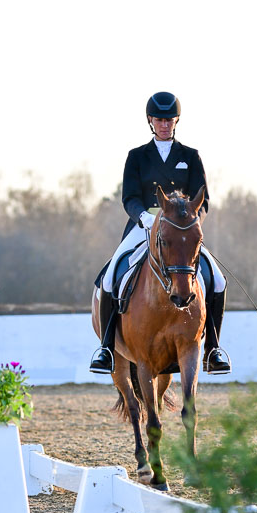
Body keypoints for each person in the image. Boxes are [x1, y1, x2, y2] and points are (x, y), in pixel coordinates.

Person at [90, 91, 231, 375]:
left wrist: (194, 222)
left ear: (176, 120)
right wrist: (143, 216)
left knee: (217, 279)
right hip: (143, 225)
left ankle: (213, 348)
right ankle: (106, 347)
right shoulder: (137, 156)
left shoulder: (190, 156)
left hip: (181, 231)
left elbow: (204, 200)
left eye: (169, 119)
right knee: (110, 276)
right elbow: (129, 197)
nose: (164, 124)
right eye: (159, 119)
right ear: (150, 122)